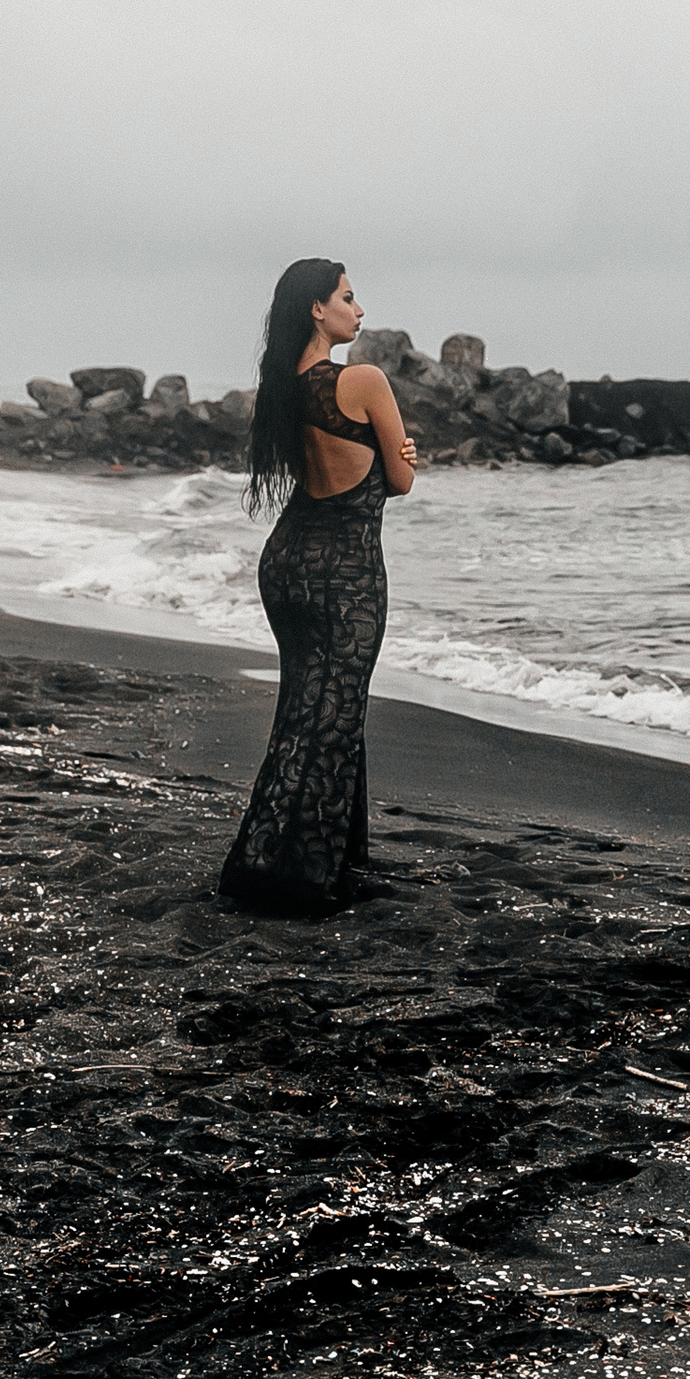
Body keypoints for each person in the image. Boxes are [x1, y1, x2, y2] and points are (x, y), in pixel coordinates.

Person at [219, 260, 418, 910]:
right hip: (347, 573)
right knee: (329, 724)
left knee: (312, 712)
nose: (359, 311)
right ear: (316, 308)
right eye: (349, 298)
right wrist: (405, 454)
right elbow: (398, 480)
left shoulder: (279, 387)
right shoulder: (364, 381)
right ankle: (290, 876)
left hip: (287, 565)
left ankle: (341, 861)